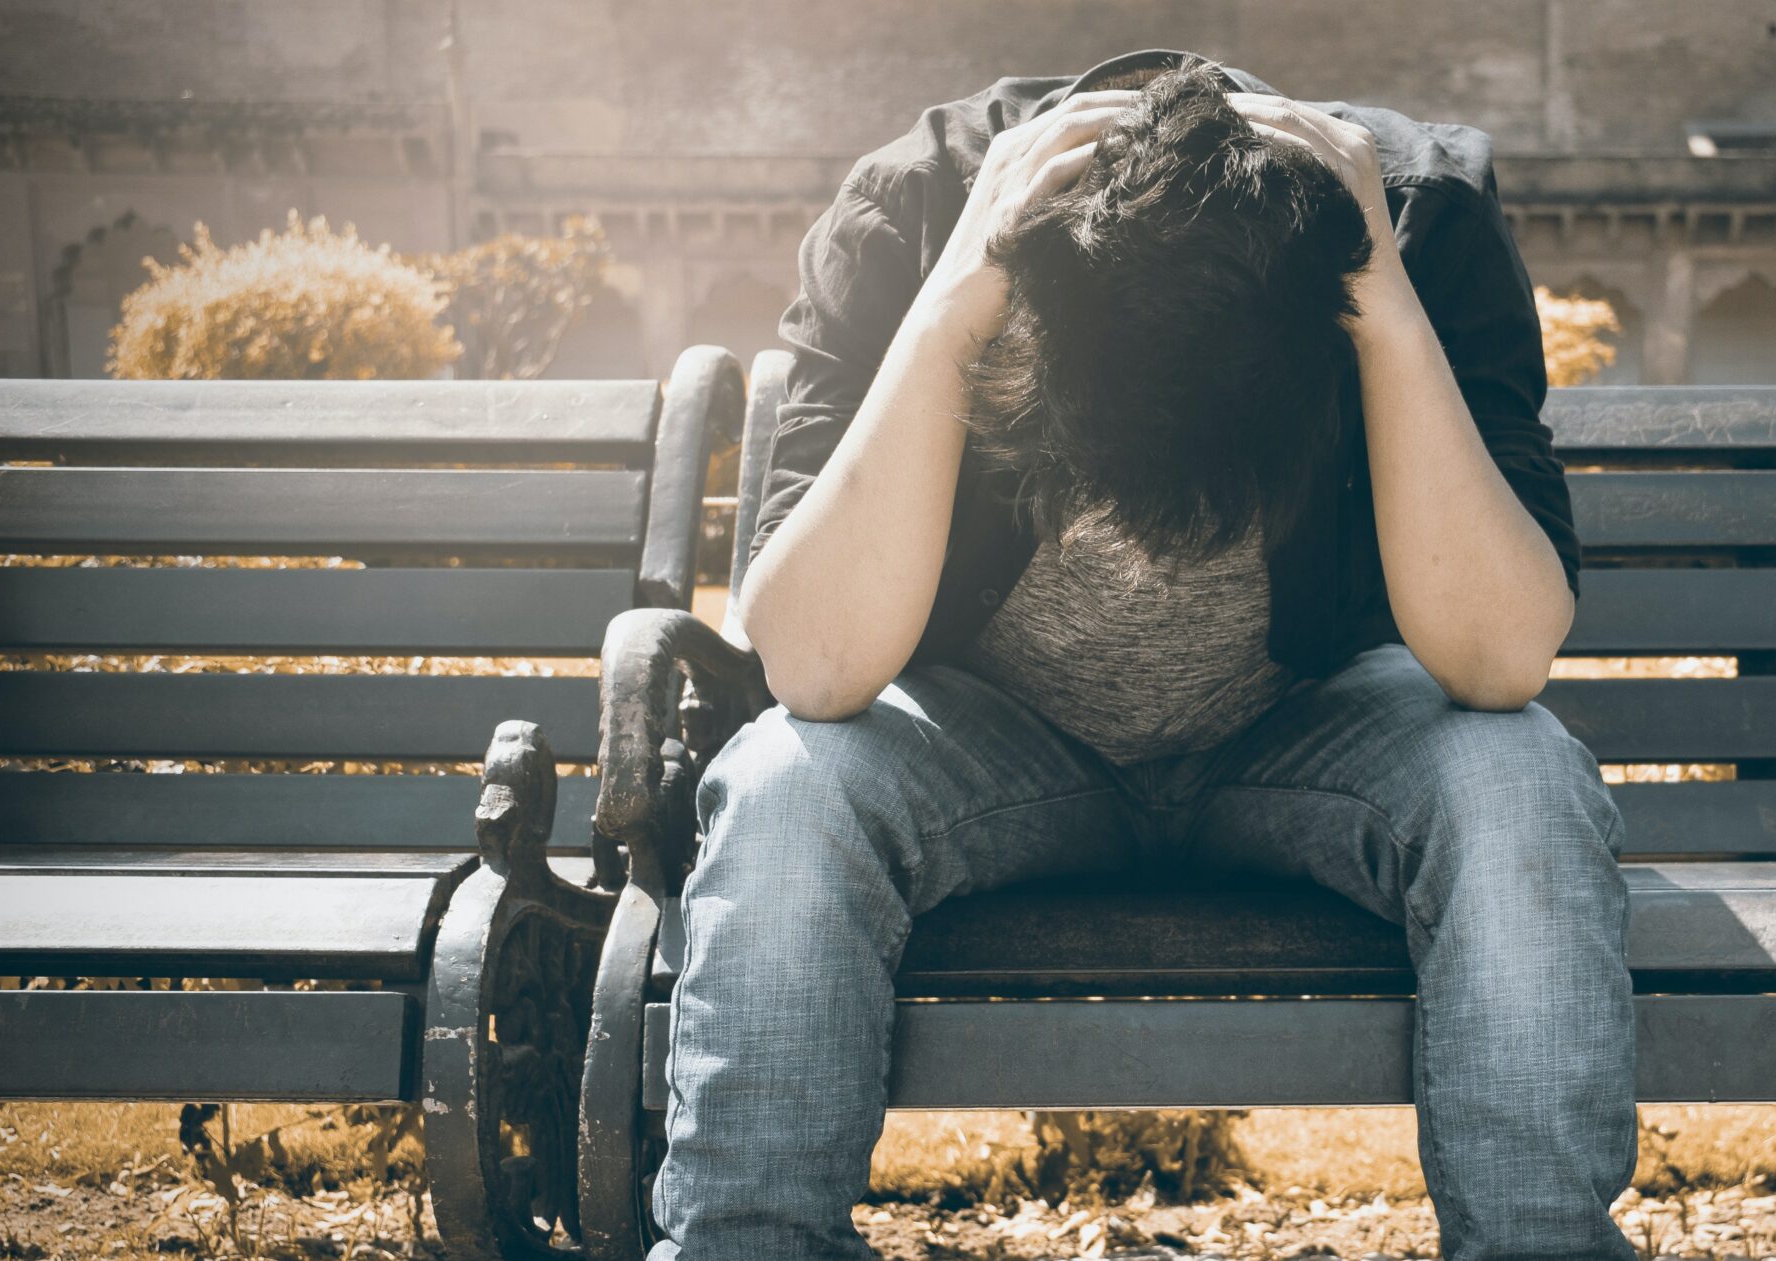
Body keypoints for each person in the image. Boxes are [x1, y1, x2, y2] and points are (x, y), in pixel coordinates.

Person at [652, 50, 1636, 1261]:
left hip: (1305, 726)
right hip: (991, 741)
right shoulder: (913, 212)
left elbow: (1498, 660)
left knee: (1519, 774)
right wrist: (957, 303)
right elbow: (811, 664)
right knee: (785, 784)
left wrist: (1380, 303)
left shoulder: (1415, 222)